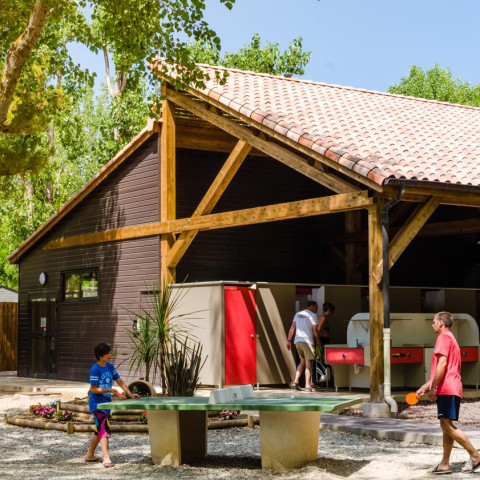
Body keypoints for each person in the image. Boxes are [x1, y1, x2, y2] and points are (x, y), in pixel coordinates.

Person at [415, 312, 480, 475]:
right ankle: (445, 463)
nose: (432, 325)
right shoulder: (451, 338)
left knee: (446, 425)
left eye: (434, 322)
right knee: (446, 425)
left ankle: (475, 456)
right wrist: (425, 387)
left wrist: (433, 388)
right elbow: (445, 368)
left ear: (441, 323)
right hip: (452, 387)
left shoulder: (443, 338)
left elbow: (442, 364)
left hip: (447, 388)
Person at [85, 342, 140, 468]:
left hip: (106, 403)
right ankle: (106, 458)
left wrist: (130, 394)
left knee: (99, 429)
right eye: (108, 353)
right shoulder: (95, 369)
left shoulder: (110, 366)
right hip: (97, 404)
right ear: (101, 355)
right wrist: (109, 390)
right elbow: (93, 389)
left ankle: (90, 455)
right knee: (104, 429)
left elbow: (120, 381)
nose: (110, 355)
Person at [286, 300, 323, 392]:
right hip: (307, 341)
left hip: (297, 341)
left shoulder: (297, 314)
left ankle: (295, 381)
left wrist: (289, 340)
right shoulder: (313, 315)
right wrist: (318, 342)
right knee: (308, 363)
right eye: (316, 308)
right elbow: (315, 330)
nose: (316, 310)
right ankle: (307, 385)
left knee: (302, 362)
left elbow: (292, 328)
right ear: (311, 307)